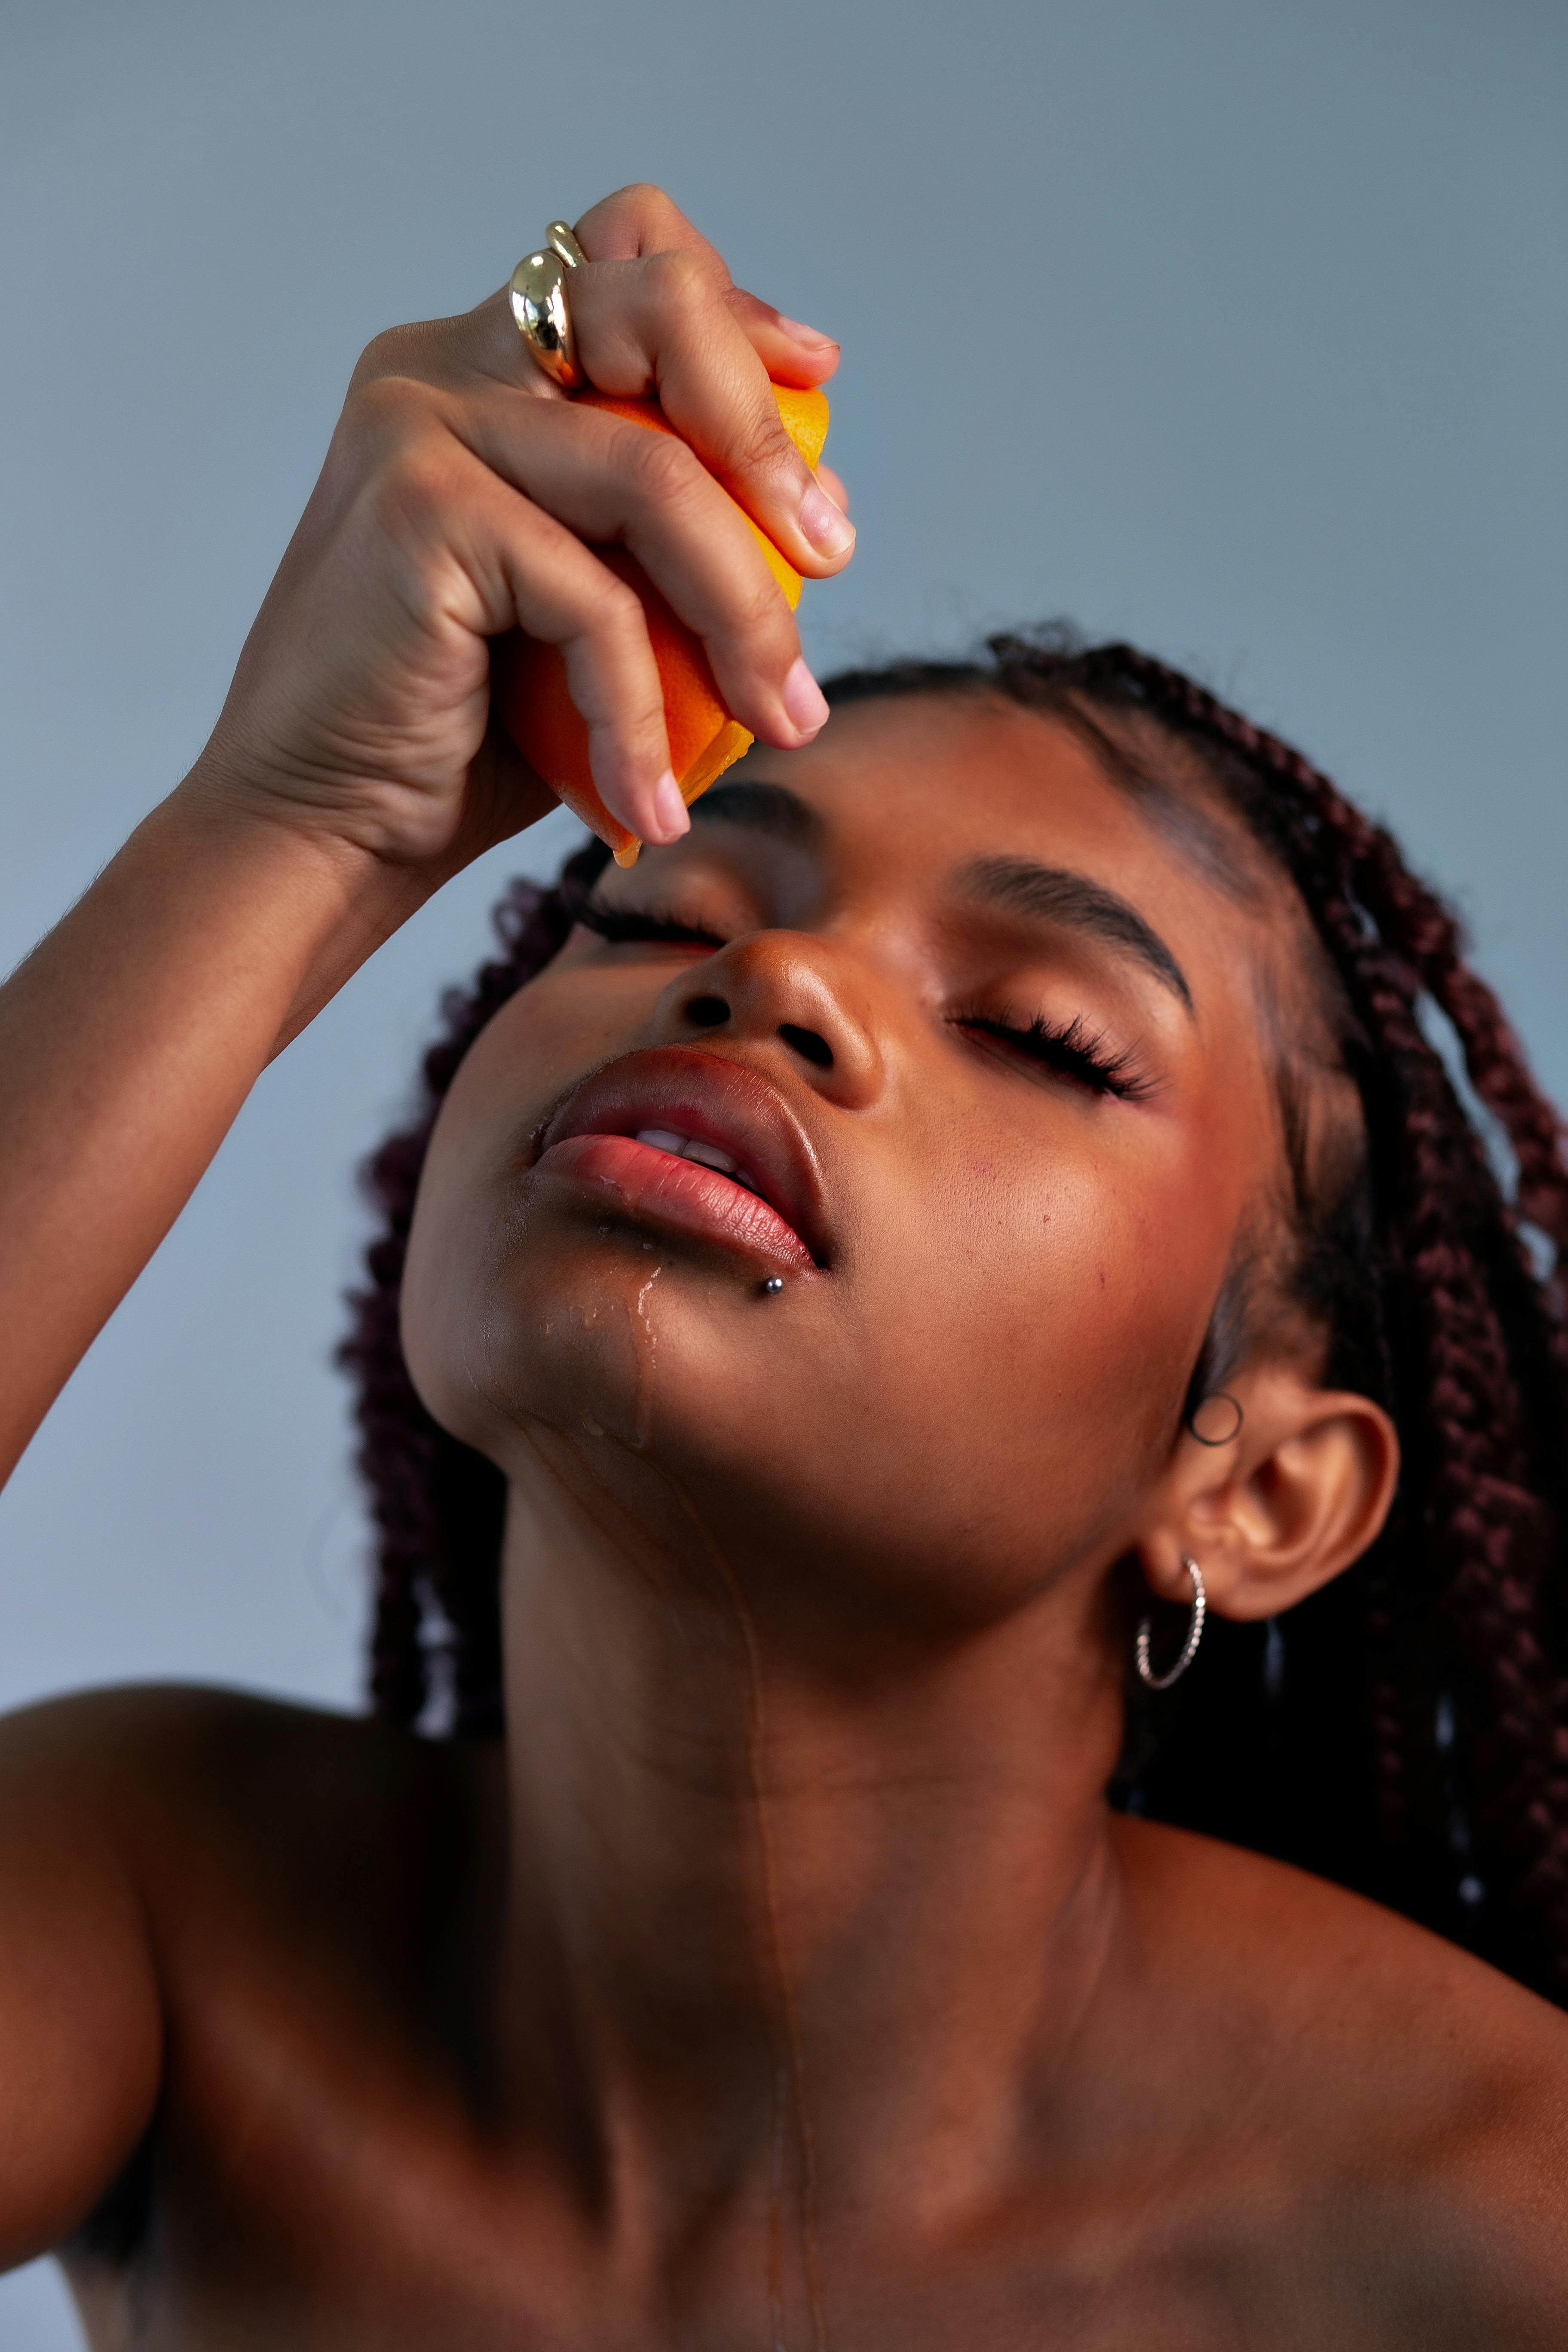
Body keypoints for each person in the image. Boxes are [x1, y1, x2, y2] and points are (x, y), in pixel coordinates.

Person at [2, 184, 1566, 2349]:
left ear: (1260, 1489)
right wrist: (292, 823)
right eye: (654, 921)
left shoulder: (1493, 2228)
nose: (783, 986)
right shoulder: (148, 1907)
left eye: (1035, 1031)